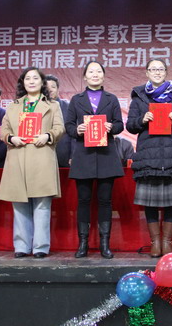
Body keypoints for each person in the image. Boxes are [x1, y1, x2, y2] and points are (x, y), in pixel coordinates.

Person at [0, 67, 65, 258]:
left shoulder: (52, 105)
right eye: (28, 78)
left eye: (36, 78)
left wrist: (47, 135)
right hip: (18, 156)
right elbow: (4, 130)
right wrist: (11, 138)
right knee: (19, 204)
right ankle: (21, 246)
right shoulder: (13, 106)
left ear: (42, 83)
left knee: (42, 205)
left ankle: (40, 247)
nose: (32, 81)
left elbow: (59, 128)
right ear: (23, 83)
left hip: (42, 156)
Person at [126, 59, 172, 257]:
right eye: (153, 69)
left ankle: (167, 241)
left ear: (166, 72)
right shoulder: (139, 96)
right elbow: (130, 126)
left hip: (171, 153)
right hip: (147, 154)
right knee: (149, 201)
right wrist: (142, 119)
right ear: (147, 72)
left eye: (161, 69)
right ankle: (155, 242)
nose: (157, 72)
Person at [65, 61, 125, 259]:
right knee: (83, 200)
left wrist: (111, 127)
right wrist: (78, 130)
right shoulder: (76, 99)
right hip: (84, 154)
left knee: (105, 201)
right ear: (85, 77)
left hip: (106, 154)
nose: (95, 74)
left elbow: (120, 125)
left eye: (98, 71)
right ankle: (83, 243)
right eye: (91, 71)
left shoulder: (111, 98)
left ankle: (105, 245)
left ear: (104, 76)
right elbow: (68, 126)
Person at [46, 75, 73, 168]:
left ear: (58, 90)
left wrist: (73, 155)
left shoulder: (68, 107)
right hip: (43, 155)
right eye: (46, 87)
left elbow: (73, 134)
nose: (50, 90)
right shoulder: (35, 108)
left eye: (53, 87)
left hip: (64, 155)